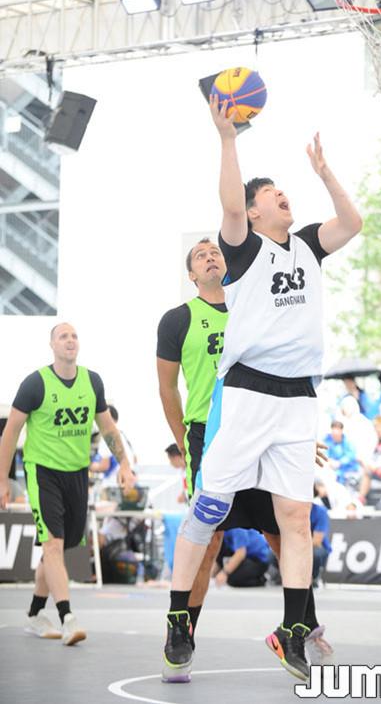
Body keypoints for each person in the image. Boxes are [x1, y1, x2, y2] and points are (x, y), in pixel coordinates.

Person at [165, 95, 362, 682]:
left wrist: (325, 174)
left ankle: (292, 630)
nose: (283, 196)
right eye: (271, 193)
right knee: (209, 510)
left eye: (283, 190)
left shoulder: (308, 244)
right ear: (252, 213)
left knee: (295, 519)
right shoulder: (244, 249)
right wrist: (228, 139)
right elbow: (229, 202)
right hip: (248, 394)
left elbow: (352, 223)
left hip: (299, 398)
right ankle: (178, 618)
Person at [156, 238, 334, 683]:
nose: (210, 256)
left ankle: (303, 627)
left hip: (263, 424)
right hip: (210, 431)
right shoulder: (179, 319)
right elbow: (167, 388)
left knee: (283, 529)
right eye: (200, 255)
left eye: (214, 251)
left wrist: (293, 432)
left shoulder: (253, 302)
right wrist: (185, 440)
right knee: (209, 537)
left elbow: (285, 366)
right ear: (191, 275)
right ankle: (182, 636)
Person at [0, 322, 136, 644]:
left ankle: (35, 614)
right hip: (42, 472)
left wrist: (125, 464)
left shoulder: (92, 381)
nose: (70, 340)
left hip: (76, 474)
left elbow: (108, 428)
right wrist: (3, 479)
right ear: (52, 345)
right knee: (53, 545)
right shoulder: (36, 383)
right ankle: (68, 618)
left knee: (57, 548)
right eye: (63, 336)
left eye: (74, 335)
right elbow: (11, 432)